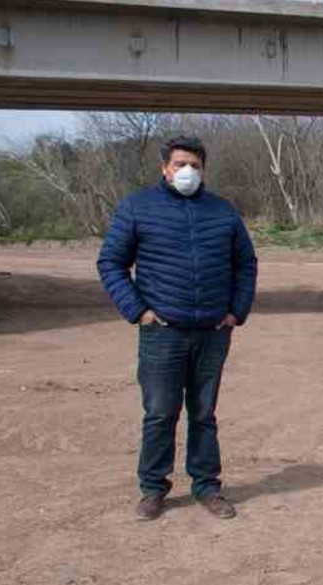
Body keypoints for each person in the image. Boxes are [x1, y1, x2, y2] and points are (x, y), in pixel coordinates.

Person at [97, 135, 258, 522]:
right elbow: (111, 262)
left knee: (204, 413)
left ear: (204, 170)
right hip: (162, 331)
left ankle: (207, 486)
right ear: (164, 168)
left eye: (195, 165)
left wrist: (236, 311)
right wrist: (139, 311)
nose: (188, 171)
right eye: (180, 164)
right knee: (159, 412)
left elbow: (245, 263)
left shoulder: (222, 211)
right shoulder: (138, 207)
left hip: (212, 331)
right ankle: (153, 488)